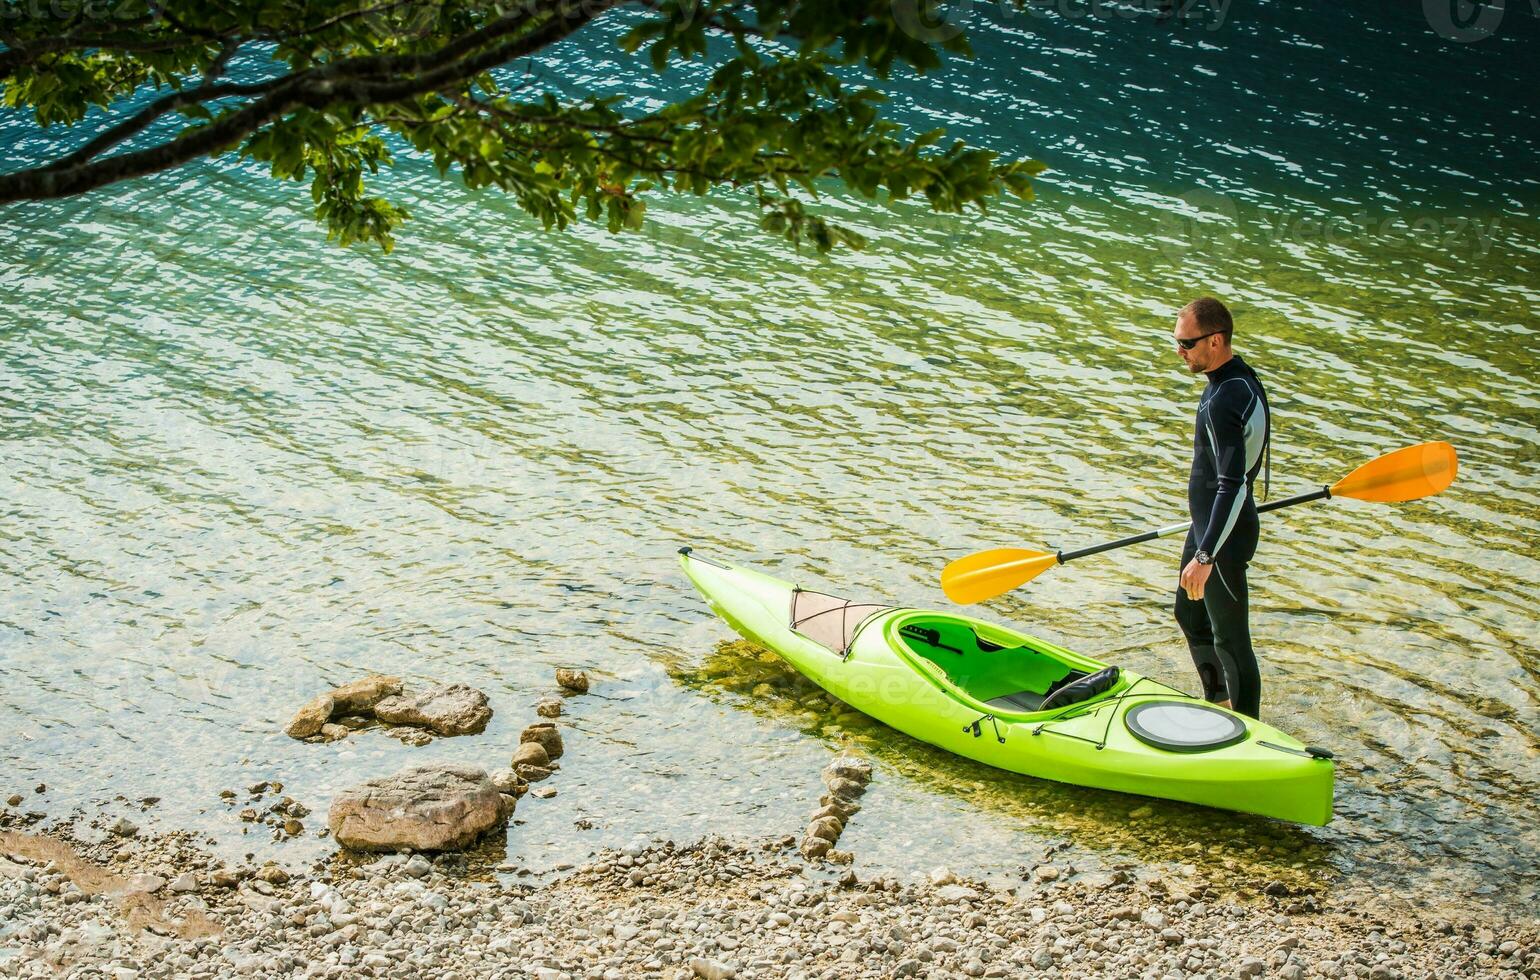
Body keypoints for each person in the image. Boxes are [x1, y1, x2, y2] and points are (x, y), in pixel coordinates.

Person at [1171, 297, 1270, 718]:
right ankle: (1218, 703)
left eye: (1187, 344)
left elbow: (1232, 485)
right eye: (1175, 342)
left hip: (1222, 534)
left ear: (1215, 341)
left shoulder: (1227, 398)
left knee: (1231, 639)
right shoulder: (1234, 380)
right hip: (1209, 522)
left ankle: (1251, 734)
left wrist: (1206, 554)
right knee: (1190, 617)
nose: (1180, 352)